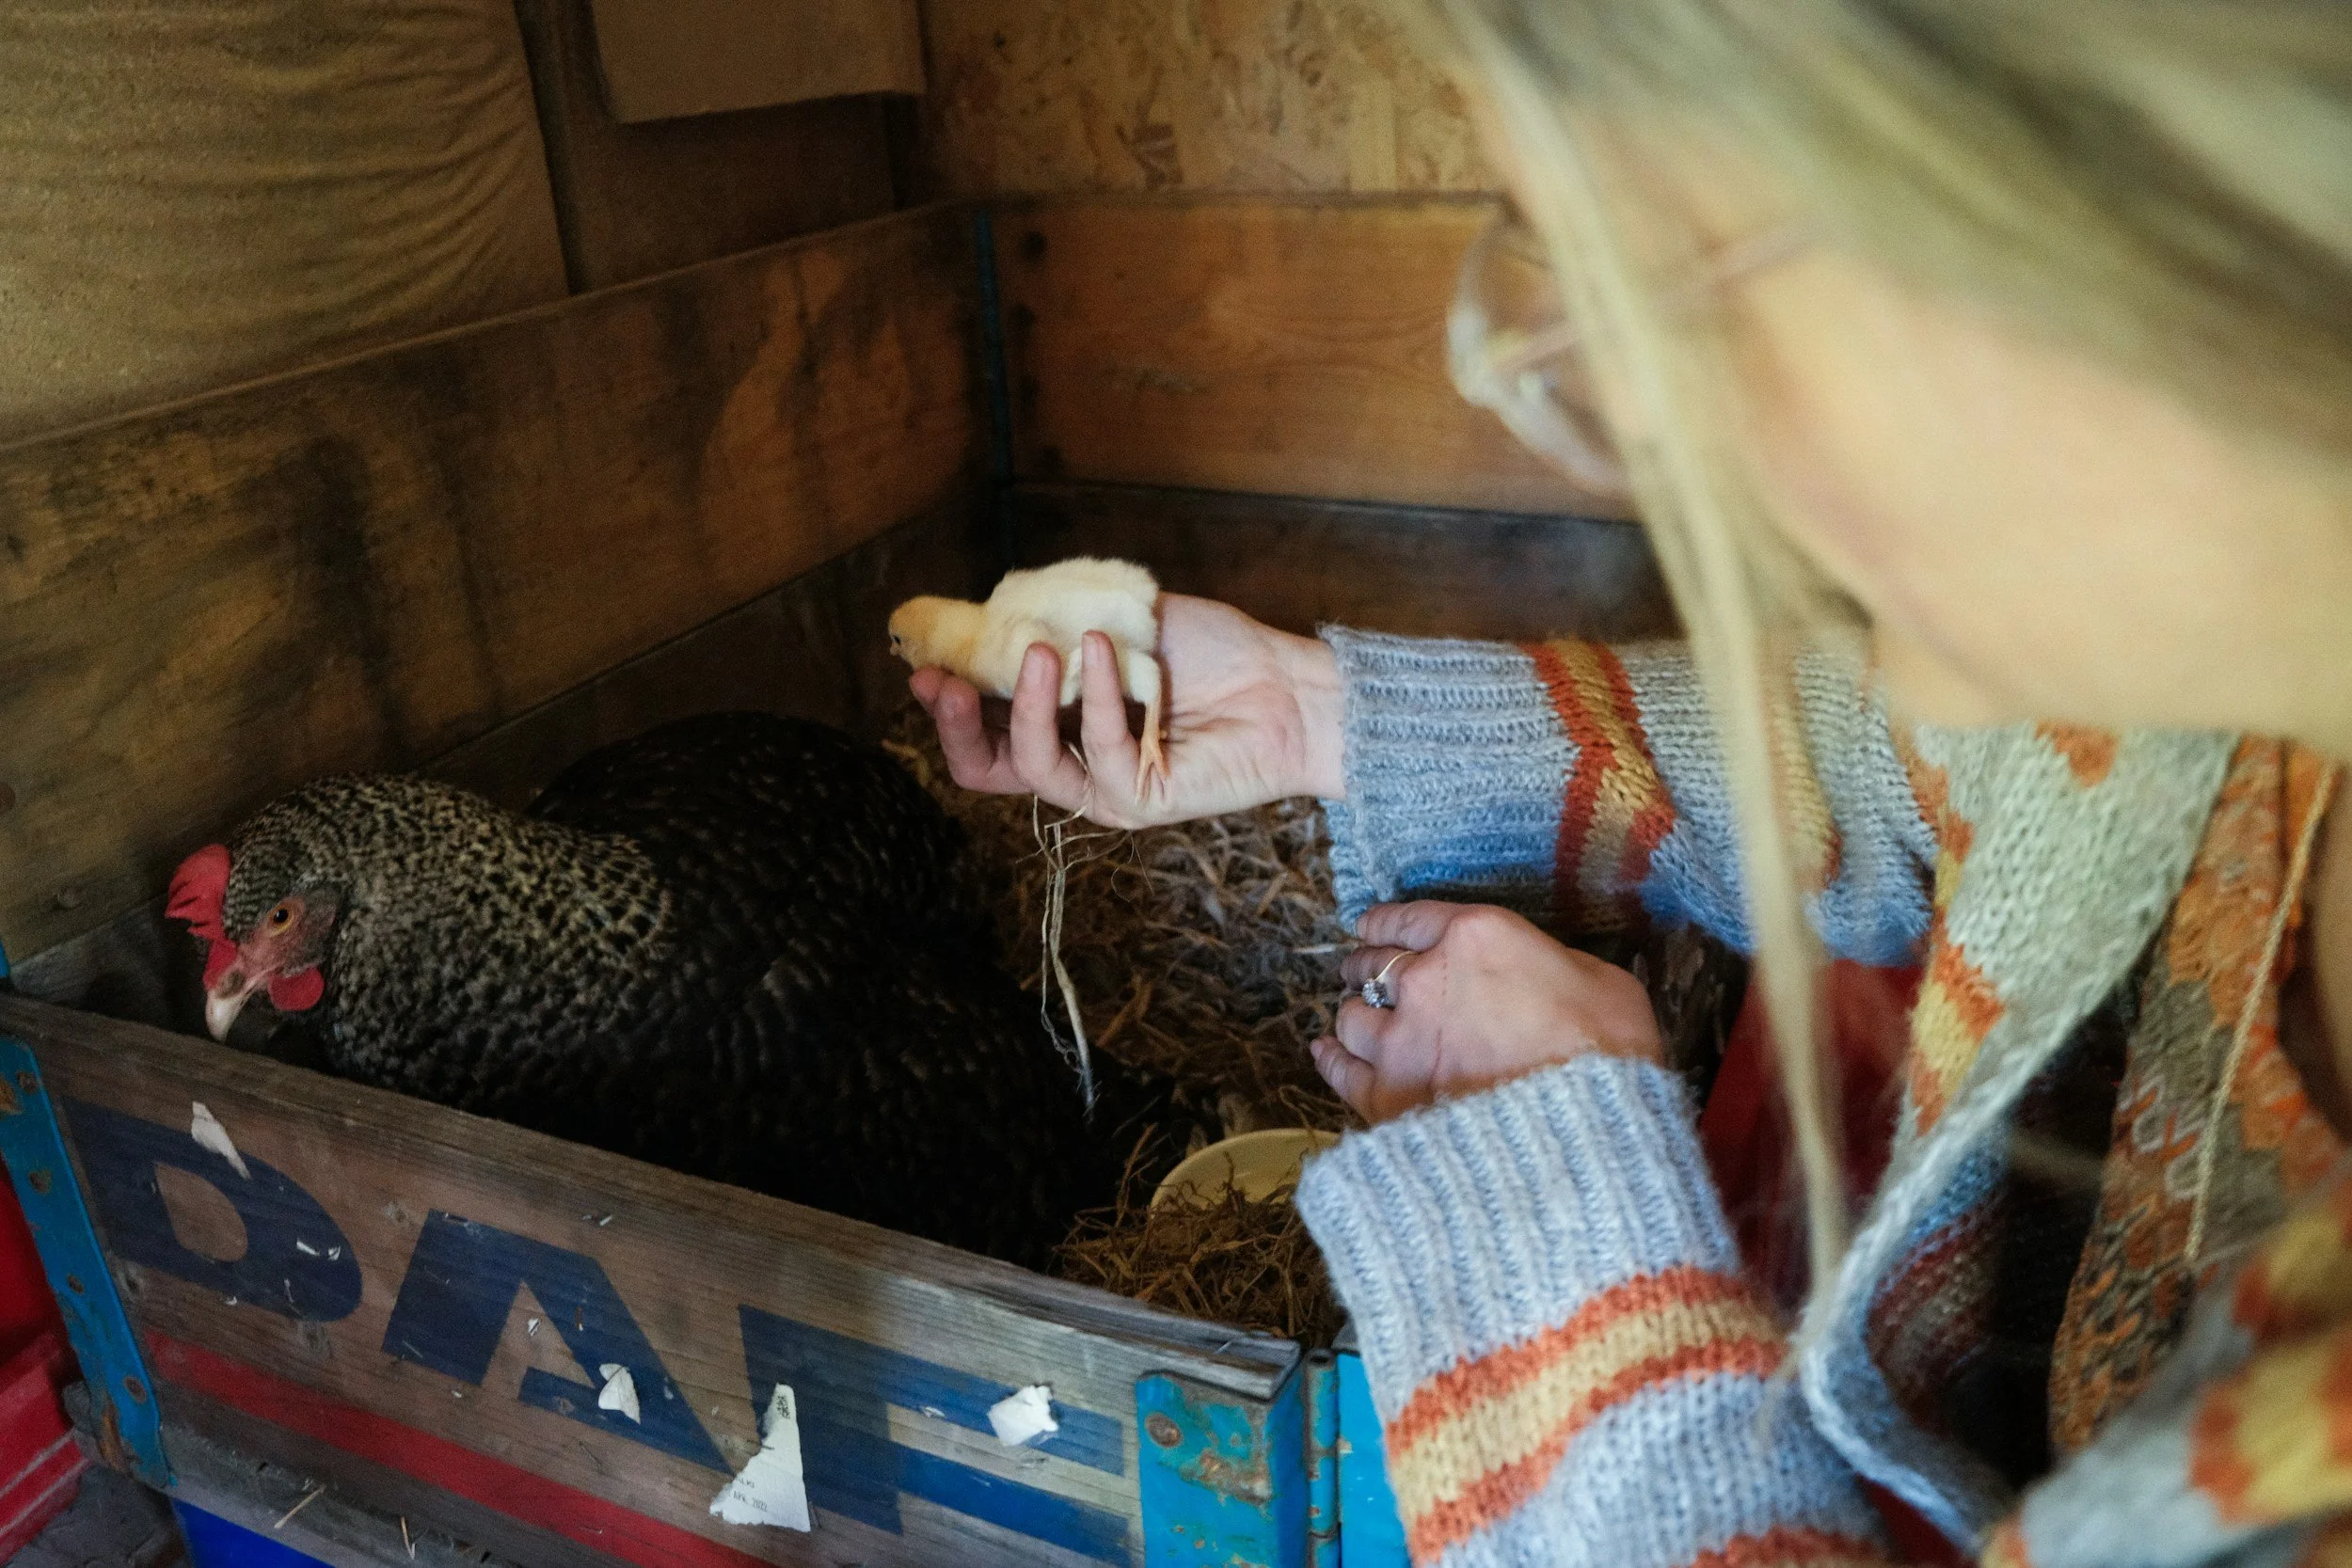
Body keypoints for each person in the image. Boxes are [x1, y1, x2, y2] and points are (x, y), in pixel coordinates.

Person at [911, 4, 2352, 1564]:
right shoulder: (2234, 689)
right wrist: (1324, 711)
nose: (1650, 415)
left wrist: (1559, 1209)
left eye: (1673, 275)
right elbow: (1991, 771)